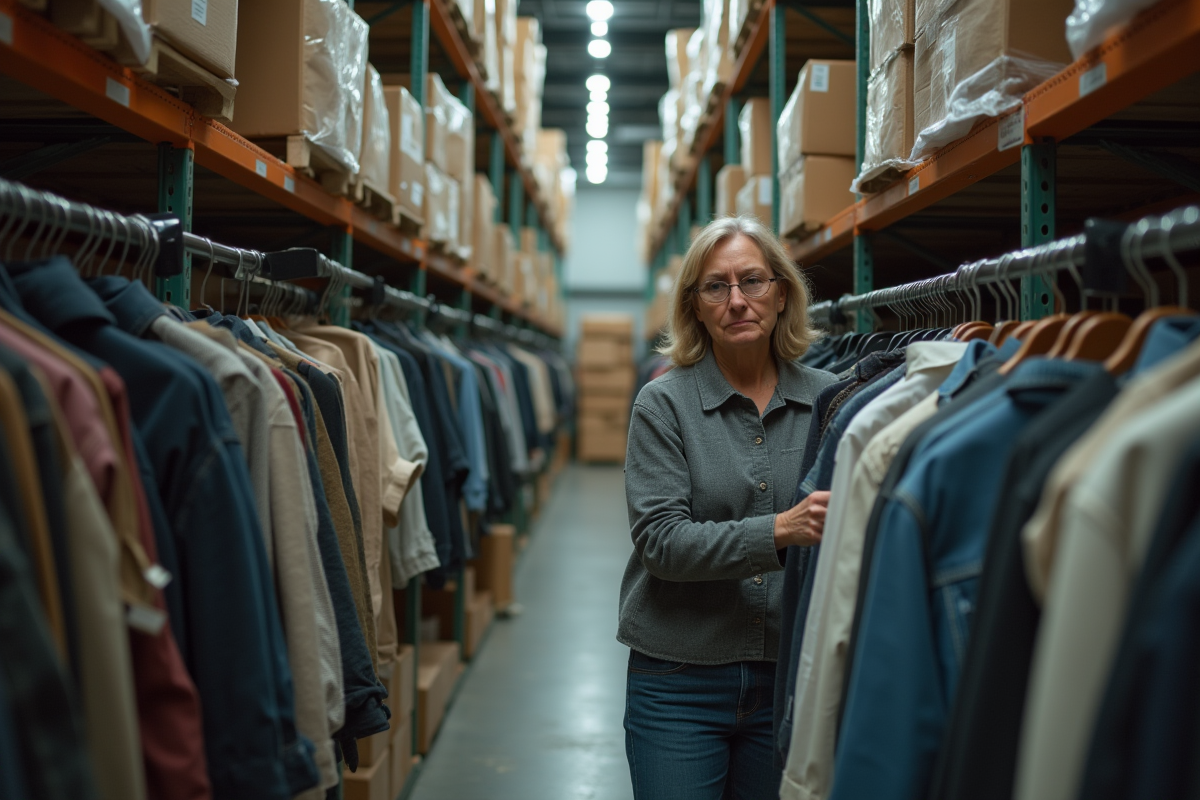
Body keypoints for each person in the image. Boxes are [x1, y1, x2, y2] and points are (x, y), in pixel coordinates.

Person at [620, 215, 838, 799]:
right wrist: (782, 530)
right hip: (678, 680)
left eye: (753, 281)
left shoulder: (832, 399)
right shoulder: (662, 404)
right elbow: (662, 543)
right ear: (694, 306)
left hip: (790, 674)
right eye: (716, 286)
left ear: (782, 291)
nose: (738, 300)